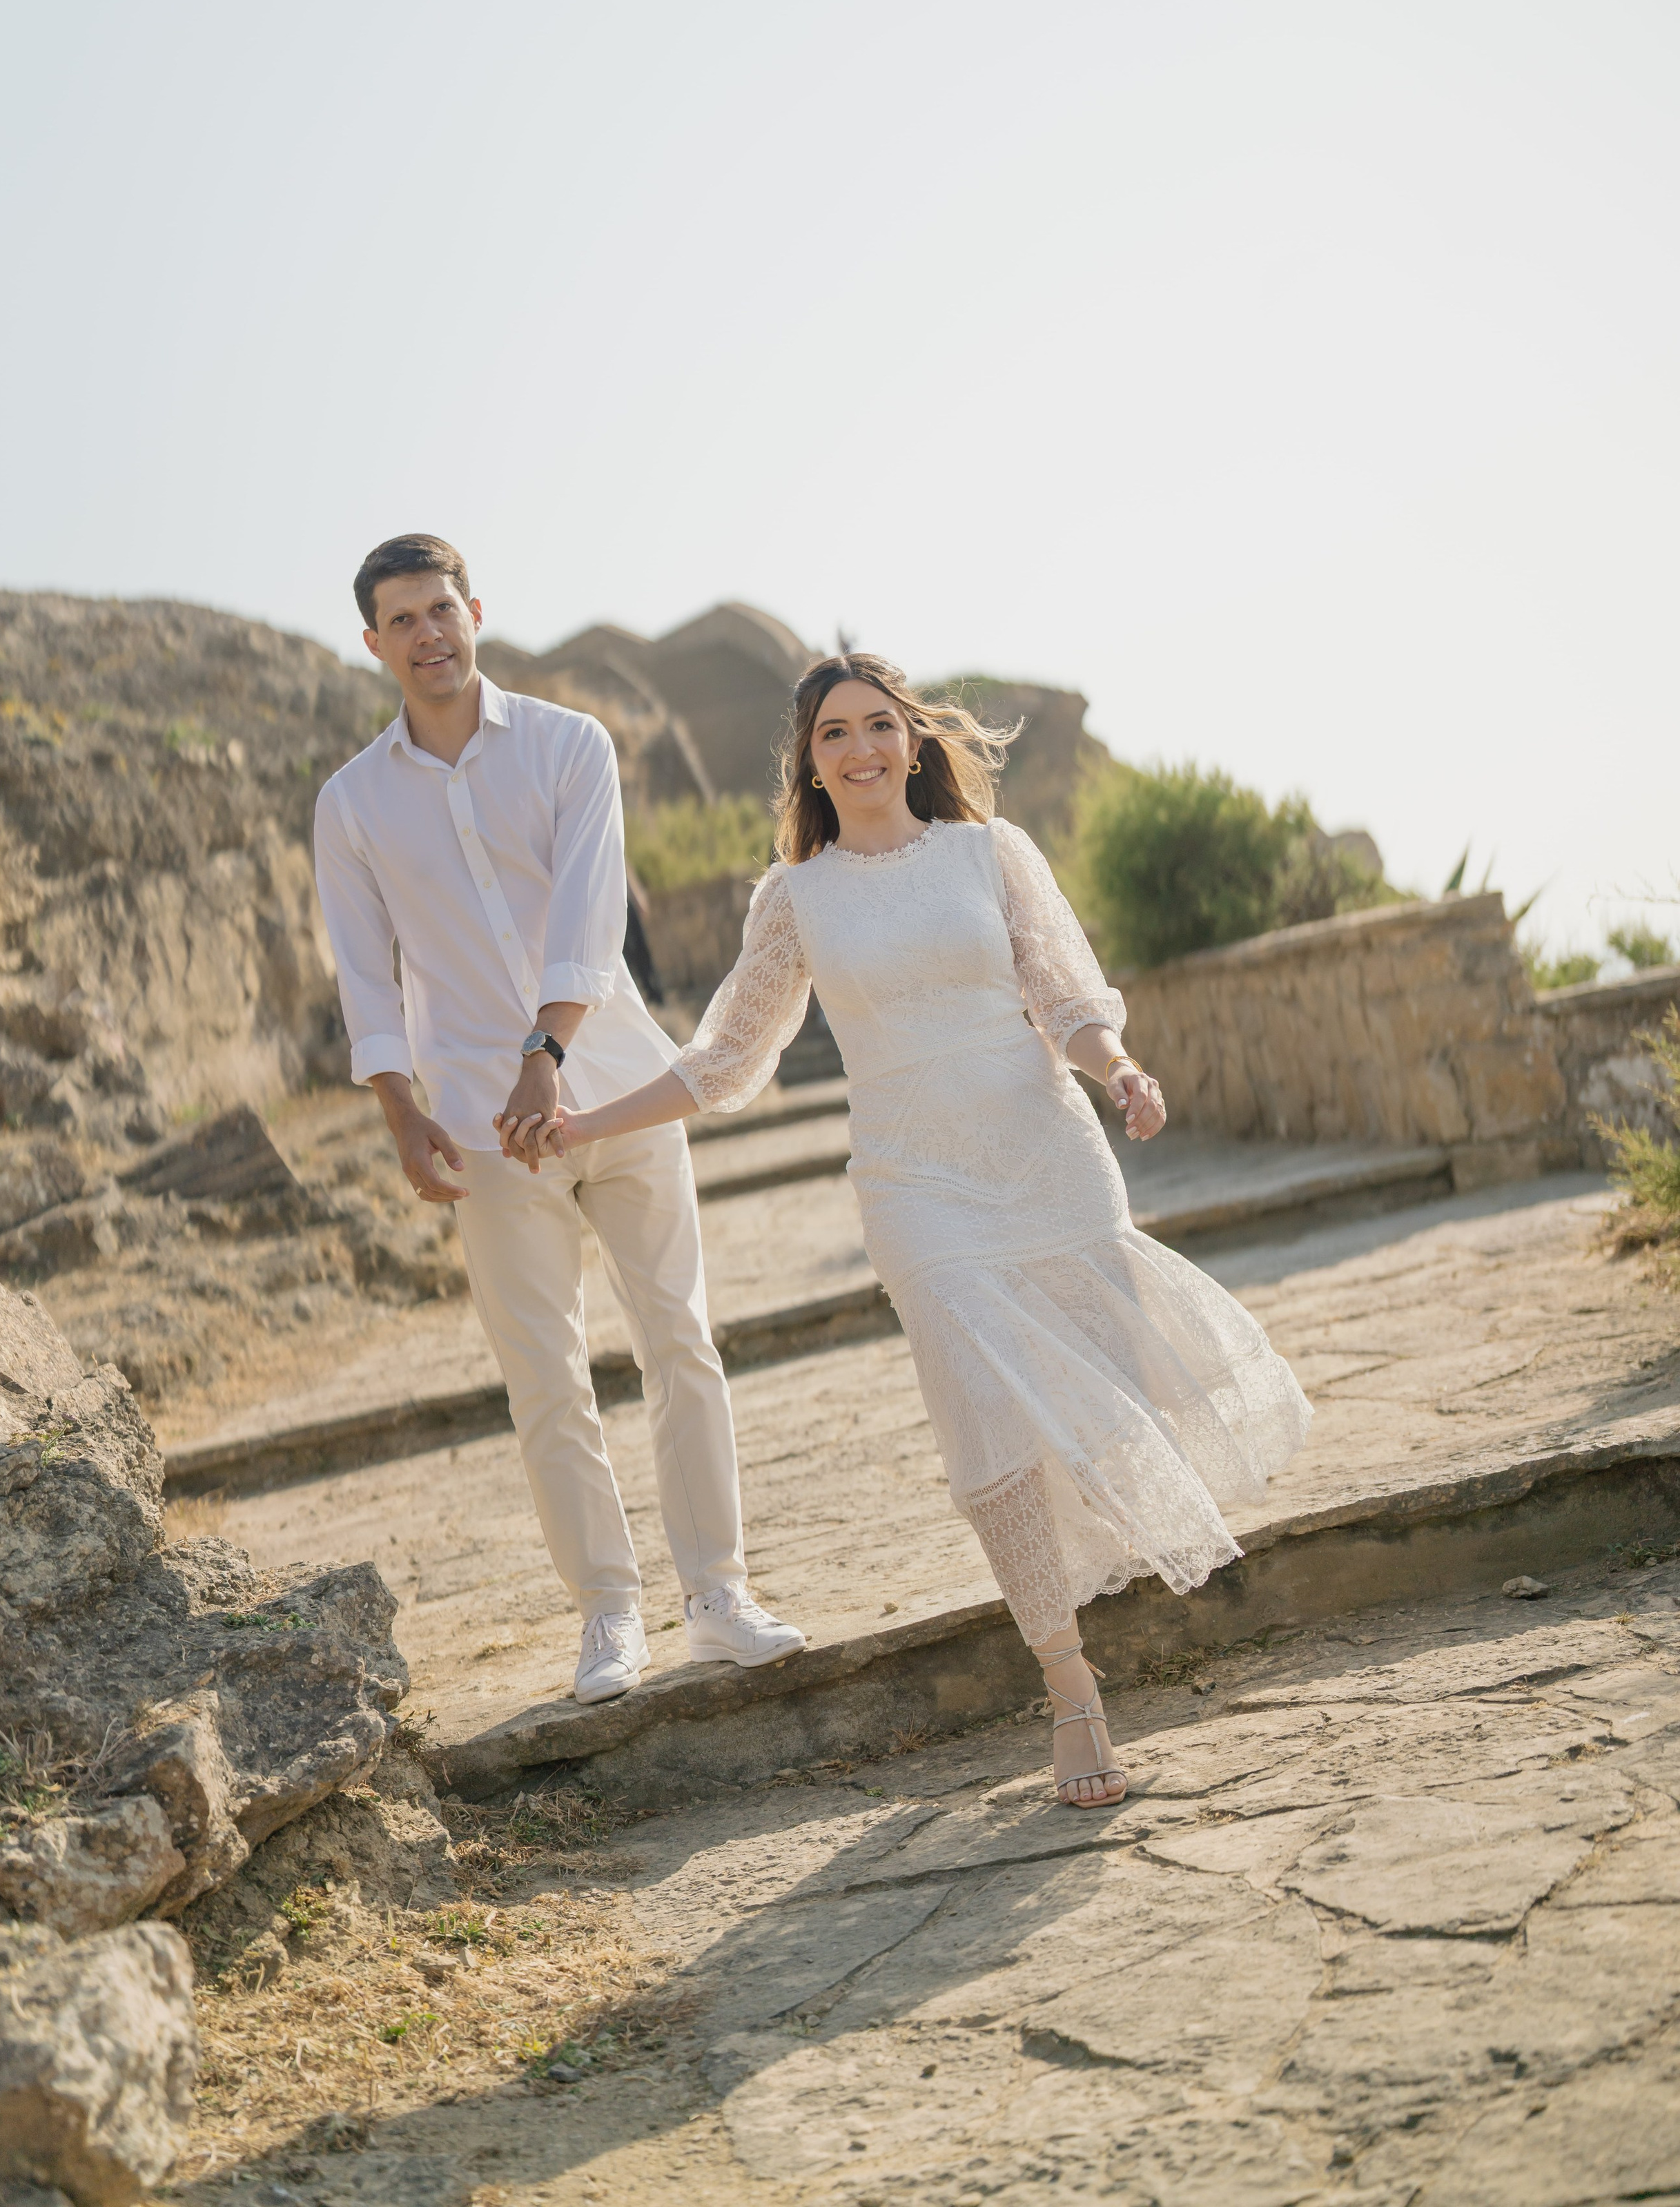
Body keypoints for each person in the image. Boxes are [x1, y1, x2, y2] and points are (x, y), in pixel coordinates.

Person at [527, 654, 1311, 1805]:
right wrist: (586, 1116)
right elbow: (724, 1059)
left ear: (912, 738)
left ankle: (1098, 1585)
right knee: (983, 1421)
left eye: (878, 725)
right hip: (914, 1186)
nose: (860, 749)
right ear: (809, 759)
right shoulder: (796, 896)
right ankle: (1069, 1683)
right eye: (833, 733)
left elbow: (1068, 997)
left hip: (1044, 1150)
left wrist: (1121, 1070)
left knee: (1100, 1389)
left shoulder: (991, 852)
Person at [313, 534, 803, 1706]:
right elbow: (364, 976)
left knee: (679, 1339)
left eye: (442, 607)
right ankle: (608, 1615)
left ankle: (718, 1594)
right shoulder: (351, 803)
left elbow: (590, 917)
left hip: (621, 1089)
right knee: (545, 1377)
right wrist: (401, 1115)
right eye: (403, 618)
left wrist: (549, 1055)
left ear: (475, 610)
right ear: (374, 642)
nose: (429, 632)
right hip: (480, 1130)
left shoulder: (573, 745)